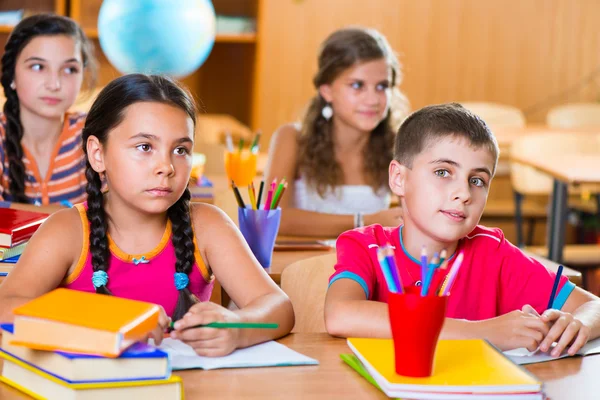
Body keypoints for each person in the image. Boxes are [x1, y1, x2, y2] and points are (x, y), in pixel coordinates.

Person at [0, 74, 294, 357]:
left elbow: (278, 306)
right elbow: (6, 306)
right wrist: (118, 319)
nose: (166, 166)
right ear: (97, 154)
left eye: (180, 149)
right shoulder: (68, 230)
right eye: (144, 147)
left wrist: (239, 328)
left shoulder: (207, 225)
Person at [324, 103, 600, 355]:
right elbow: (340, 315)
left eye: (477, 180)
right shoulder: (367, 245)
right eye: (443, 172)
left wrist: (577, 323)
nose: (463, 193)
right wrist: (482, 333)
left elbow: (595, 307)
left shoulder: (492, 252)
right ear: (398, 178)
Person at [263, 27, 408, 237]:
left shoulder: (398, 145)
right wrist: (365, 221)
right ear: (327, 91)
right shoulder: (291, 138)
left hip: (369, 266)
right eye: (357, 85)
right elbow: (275, 218)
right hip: (303, 266)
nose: (373, 99)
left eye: (382, 86)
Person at [0, 13, 97, 212]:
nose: (55, 84)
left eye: (69, 69)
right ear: (12, 75)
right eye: (38, 67)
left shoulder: (94, 134)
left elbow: (116, 209)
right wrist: (63, 213)